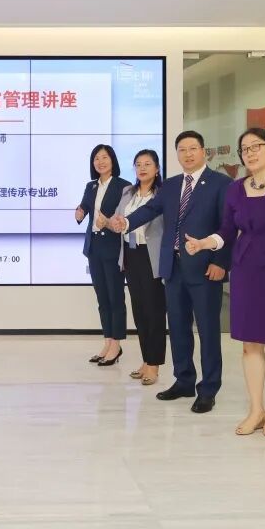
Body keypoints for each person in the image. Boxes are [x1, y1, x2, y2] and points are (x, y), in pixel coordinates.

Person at [184, 128, 265, 437]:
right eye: (245, 149)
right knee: (250, 344)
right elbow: (227, 231)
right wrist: (205, 243)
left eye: (256, 146)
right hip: (244, 270)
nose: (250, 152)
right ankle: (256, 409)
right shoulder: (236, 189)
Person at [111, 131, 231, 413]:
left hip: (205, 268)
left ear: (203, 151)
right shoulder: (172, 185)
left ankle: (208, 388)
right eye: (182, 150)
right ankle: (184, 380)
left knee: (208, 330)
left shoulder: (221, 183)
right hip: (172, 267)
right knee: (177, 327)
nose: (187, 154)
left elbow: (228, 226)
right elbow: (150, 209)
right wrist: (126, 223)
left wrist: (220, 262)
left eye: (193, 148)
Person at [113, 149, 166, 385]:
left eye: (147, 164)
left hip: (151, 256)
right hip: (130, 254)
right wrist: (110, 222)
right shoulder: (128, 192)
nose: (142, 168)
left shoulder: (163, 194)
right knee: (140, 311)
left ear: (157, 168)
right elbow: (118, 219)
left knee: (154, 311)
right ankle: (146, 360)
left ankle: (154, 365)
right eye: (138, 164)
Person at [75, 144, 131, 366]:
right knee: (102, 298)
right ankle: (108, 341)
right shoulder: (90, 186)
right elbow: (84, 207)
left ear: (113, 160)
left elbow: (125, 217)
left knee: (115, 297)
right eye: (96, 158)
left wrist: (107, 222)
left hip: (113, 247)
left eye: (104, 157)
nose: (100, 162)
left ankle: (116, 345)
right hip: (94, 248)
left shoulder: (123, 186)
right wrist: (80, 212)